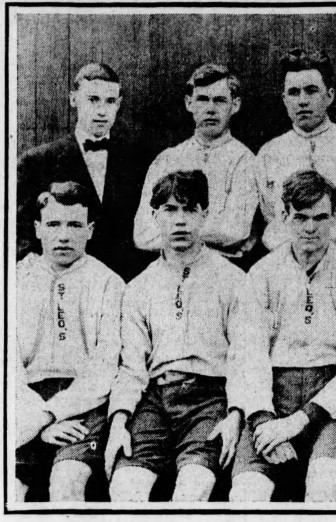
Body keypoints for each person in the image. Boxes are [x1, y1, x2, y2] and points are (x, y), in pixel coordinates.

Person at [104, 170, 273, 501]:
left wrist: (235, 414)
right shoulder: (138, 287)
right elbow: (131, 366)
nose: (180, 221)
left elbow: (247, 356)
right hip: (153, 400)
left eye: (189, 209)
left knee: (193, 489)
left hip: (209, 400)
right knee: (125, 489)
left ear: (204, 215)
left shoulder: (233, 280)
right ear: (154, 216)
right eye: (169, 210)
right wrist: (119, 421)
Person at [230, 170, 336, 502]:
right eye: (300, 217)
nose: (311, 228)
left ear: (334, 217)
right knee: (247, 492)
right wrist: (264, 422)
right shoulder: (261, 275)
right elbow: (248, 356)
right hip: (273, 392)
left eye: (320, 217)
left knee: (324, 483)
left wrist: (299, 421)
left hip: (330, 397)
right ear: (284, 216)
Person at [15, 181, 125, 501]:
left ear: (90, 229)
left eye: (75, 225)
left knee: (67, 481)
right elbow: (7, 362)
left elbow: (104, 368)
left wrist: (50, 415)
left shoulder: (108, 283)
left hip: (83, 404)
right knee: (10, 486)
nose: (64, 235)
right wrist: (35, 418)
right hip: (26, 400)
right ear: (37, 229)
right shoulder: (18, 279)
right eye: (53, 224)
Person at [17, 62, 157, 281]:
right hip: (65, 284)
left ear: (119, 104)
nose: (102, 111)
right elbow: (20, 234)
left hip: (129, 283)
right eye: (92, 100)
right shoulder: (37, 162)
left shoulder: (141, 160)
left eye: (110, 101)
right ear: (74, 99)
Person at [254, 49, 336, 268]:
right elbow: (272, 216)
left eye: (311, 91)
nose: (302, 100)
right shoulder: (269, 153)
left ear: (329, 95)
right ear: (284, 99)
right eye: (294, 92)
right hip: (287, 269)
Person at [134, 63, 261, 269]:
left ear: (235, 105)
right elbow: (143, 234)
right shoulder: (167, 159)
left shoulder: (245, 161)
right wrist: (205, 233)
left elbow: (236, 230)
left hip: (223, 270)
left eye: (219, 100)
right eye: (202, 99)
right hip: (169, 270)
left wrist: (174, 230)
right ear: (189, 103)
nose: (210, 109)